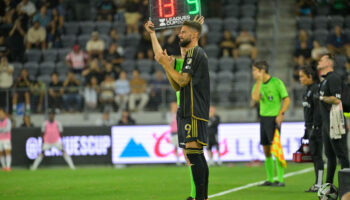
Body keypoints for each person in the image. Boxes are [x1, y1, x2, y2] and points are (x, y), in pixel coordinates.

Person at [146, 18, 210, 200]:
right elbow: (177, 86)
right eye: (179, 32)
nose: (179, 35)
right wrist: (153, 36)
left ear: (195, 35)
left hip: (193, 110)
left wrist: (166, 64)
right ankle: (201, 196)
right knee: (195, 154)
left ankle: (199, 196)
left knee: (193, 154)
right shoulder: (190, 57)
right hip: (189, 110)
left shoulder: (194, 53)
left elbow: (183, 81)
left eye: (183, 32)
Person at [251, 61, 290, 187]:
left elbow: (286, 99)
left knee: (276, 147)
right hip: (263, 118)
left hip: (274, 118)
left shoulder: (276, 82)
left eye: (255, 70)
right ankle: (270, 179)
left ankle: (280, 179)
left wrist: (281, 114)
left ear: (262, 70)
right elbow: (255, 99)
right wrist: (258, 82)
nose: (253, 73)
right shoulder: (258, 84)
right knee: (266, 149)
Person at [317, 53, 349, 184]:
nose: (319, 61)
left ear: (329, 63)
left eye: (322, 59)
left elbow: (336, 99)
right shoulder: (324, 80)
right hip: (326, 124)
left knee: (342, 155)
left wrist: (321, 98)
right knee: (330, 157)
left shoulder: (333, 78)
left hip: (335, 123)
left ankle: (347, 188)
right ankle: (327, 187)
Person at [299, 66, 324, 192]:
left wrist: (315, 127)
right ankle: (317, 183)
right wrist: (305, 131)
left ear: (310, 76)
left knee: (317, 155)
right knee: (314, 155)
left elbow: (318, 111)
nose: (300, 79)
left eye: (303, 76)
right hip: (309, 128)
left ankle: (319, 184)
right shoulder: (307, 90)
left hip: (316, 128)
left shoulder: (315, 89)